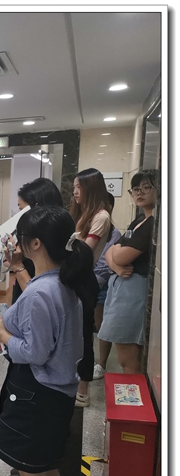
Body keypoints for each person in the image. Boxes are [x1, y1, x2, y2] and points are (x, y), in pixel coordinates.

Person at [0, 205, 93, 476]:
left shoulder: (40, 293)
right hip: (57, 392)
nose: (15, 243)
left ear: (35, 243)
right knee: (46, 472)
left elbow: (35, 352)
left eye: (20, 237)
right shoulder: (64, 282)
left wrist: (2, 335)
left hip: (36, 395)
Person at [97, 170, 157, 374]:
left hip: (134, 291)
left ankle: (133, 393)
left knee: (128, 356)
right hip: (122, 287)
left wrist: (116, 259)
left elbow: (120, 255)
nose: (139, 193)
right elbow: (111, 252)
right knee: (125, 351)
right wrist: (115, 265)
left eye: (146, 188)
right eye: (136, 189)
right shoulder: (139, 220)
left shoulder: (153, 224)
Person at [69, 168, 112, 407]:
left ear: (91, 188)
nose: (75, 192)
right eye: (74, 187)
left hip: (84, 280)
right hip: (74, 277)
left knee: (84, 336)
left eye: (79, 187)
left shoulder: (101, 217)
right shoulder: (83, 214)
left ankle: (83, 390)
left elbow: (83, 253)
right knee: (71, 334)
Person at [92, 193, 122, 380]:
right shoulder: (90, 227)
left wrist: (91, 282)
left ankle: (101, 364)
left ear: (110, 207)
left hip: (100, 284)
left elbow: (105, 264)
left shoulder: (114, 233)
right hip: (86, 280)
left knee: (100, 324)